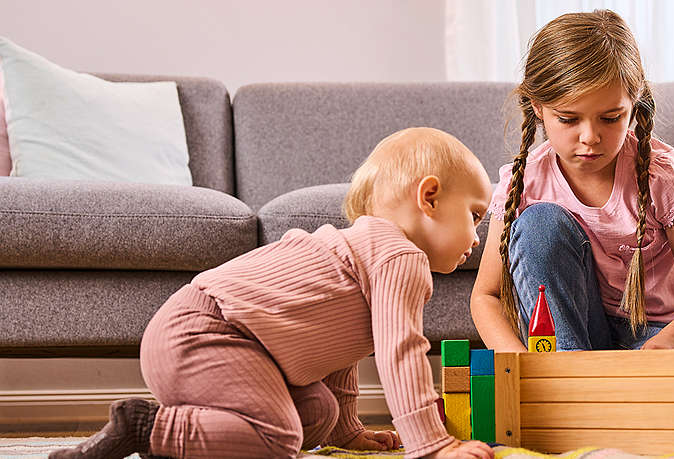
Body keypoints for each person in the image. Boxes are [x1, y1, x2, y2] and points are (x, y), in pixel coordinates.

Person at [50, 127, 496, 459]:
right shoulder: (401, 256)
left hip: (203, 335)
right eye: (475, 215)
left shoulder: (363, 251)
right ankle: (147, 427)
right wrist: (432, 444)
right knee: (280, 438)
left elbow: (341, 347)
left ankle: (196, 439)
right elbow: (400, 352)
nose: (478, 236)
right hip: (209, 333)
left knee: (317, 415)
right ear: (430, 197)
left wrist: (346, 429)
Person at [470, 9, 674, 353]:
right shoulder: (523, 180)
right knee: (539, 224)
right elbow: (487, 295)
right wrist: (518, 360)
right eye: (569, 119)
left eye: (610, 118)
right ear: (538, 107)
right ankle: (567, 376)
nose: (590, 137)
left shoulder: (660, 173)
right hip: (575, 338)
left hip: (659, 334)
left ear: (634, 106)